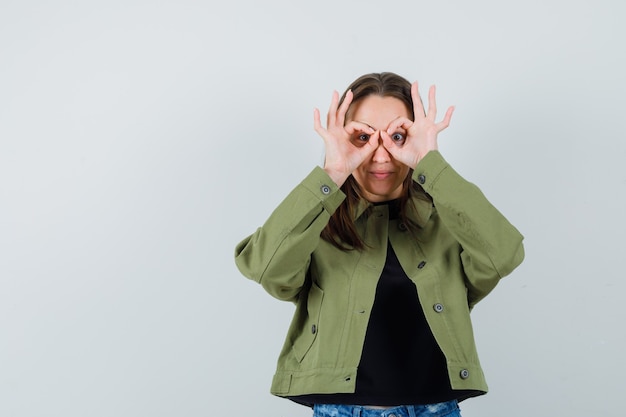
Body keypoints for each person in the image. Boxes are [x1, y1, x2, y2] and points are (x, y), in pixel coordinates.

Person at [234, 72, 524, 417]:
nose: (381, 155)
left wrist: (431, 164)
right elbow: (262, 267)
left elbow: (505, 254)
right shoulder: (315, 222)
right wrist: (332, 174)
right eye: (362, 137)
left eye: (398, 136)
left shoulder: (449, 219)